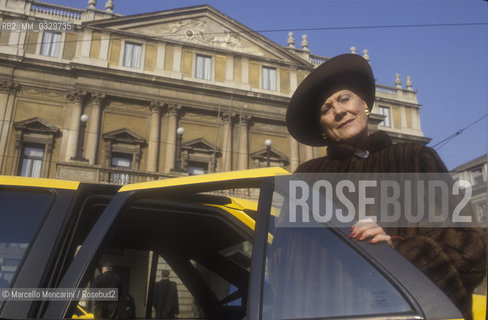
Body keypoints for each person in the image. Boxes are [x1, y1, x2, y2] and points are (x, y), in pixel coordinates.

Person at [284, 53, 486, 319]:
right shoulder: (305, 181)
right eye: (326, 108)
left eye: (344, 98)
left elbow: (472, 250)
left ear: (364, 104)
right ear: (323, 127)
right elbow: (284, 270)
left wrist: (398, 252)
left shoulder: (415, 159)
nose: (339, 111)